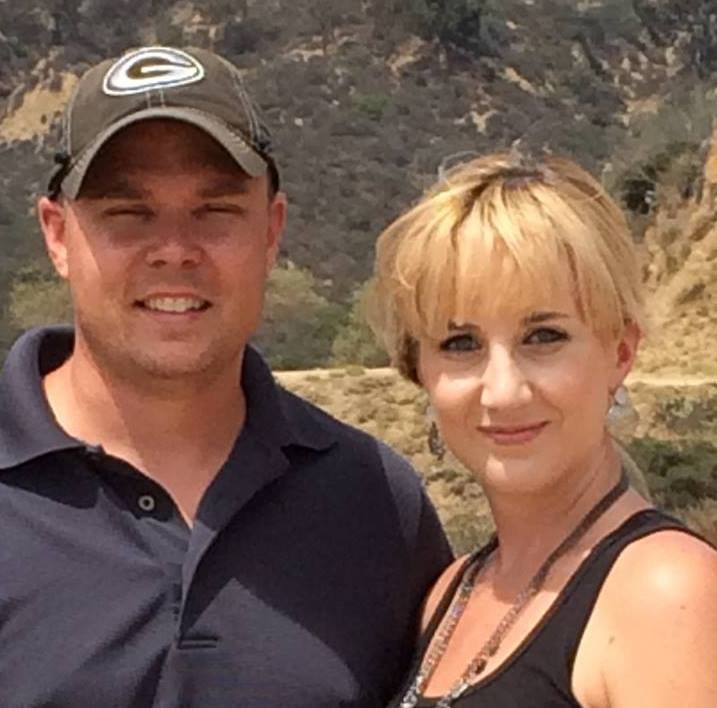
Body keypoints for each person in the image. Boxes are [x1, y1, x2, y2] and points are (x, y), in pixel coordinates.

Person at [0, 46, 452, 707]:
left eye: (215, 211)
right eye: (128, 213)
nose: (175, 250)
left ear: (271, 231)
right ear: (57, 235)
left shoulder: (375, 502)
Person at [368, 152, 717, 707]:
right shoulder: (449, 596)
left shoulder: (665, 594)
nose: (503, 391)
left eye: (543, 337)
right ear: (421, 371)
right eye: (461, 344)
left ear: (620, 352)